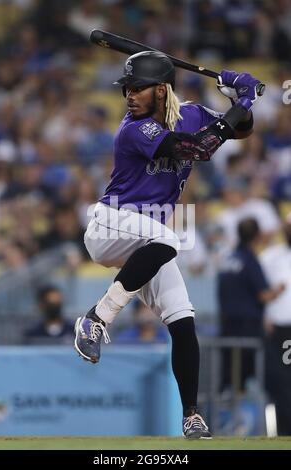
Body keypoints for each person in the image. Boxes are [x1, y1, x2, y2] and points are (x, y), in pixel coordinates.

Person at [74, 50, 262, 439]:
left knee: (183, 319)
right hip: (110, 226)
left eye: (138, 87)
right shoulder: (132, 128)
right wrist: (240, 101)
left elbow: (241, 130)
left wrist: (240, 101)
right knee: (170, 238)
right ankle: (96, 319)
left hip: (146, 242)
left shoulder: (190, 113)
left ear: (162, 90)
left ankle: (192, 414)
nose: (129, 94)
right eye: (127, 88)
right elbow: (198, 150)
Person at [217, 218, 285, 390]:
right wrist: (279, 290)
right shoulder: (250, 260)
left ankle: (225, 412)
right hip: (248, 329)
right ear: (257, 236)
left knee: (229, 376)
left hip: (227, 326)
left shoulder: (228, 260)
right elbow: (263, 295)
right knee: (269, 375)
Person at [260, 214, 291, 435]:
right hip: (281, 329)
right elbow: (260, 291)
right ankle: (284, 430)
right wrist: (266, 316)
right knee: (283, 382)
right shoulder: (271, 256)